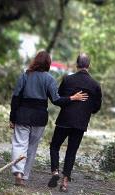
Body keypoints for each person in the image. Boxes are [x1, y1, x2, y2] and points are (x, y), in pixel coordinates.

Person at [9, 51, 88, 186]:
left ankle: (18, 172)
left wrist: (12, 117)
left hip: (22, 115)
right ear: (48, 64)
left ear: (35, 61)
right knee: (32, 147)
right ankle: (24, 176)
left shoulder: (25, 75)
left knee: (19, 144)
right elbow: (56, 100)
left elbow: (16, 97)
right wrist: (72, 98)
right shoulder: (49, 79)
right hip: (39, 118)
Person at [47, 53, 102, 192]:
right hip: (80, 123)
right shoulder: (95, 85)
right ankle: (65, 183)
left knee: (55, 146)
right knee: (71, 151)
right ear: (89, 65)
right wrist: (85, 109)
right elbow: (96, 108)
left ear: (76, 64)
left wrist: (71, 100)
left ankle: (55, 171)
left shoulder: (68, 80)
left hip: (64, 120)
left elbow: (59, 98)